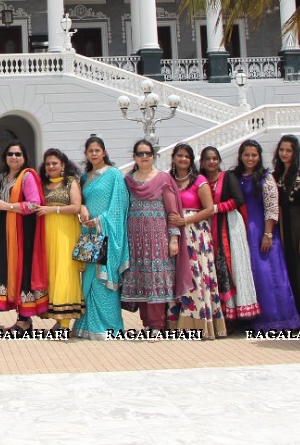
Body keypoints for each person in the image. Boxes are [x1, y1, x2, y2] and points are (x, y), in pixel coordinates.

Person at [120, 139, 192, 332]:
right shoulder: (127, 181)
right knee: (141, 281)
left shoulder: (163, 179)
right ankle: (146, 324)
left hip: (158, 239)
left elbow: (172, 212)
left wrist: (174, 239)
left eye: (148, 153)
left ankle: (157, 325)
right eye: (140, 153)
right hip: (134, 239)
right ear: (134, 157)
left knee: (156, 281)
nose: (144, 157)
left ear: (153, 156)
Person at [230, 140, 300, 332]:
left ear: (259, 156)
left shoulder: (266, 178)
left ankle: (276, 320)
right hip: (241, 230)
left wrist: (268, 234)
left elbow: (271, 208)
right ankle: (249, 319)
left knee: (268, 274)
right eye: (246, 155)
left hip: (262, 230)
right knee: (248, 274)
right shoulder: (235, 176)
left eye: (254, 155)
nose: (250, 158)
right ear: (241, 156)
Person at [164, 143, 226, 339]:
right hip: (172, 234)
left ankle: (199, 325)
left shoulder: (199, 180)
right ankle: (176, 325)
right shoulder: (168, 180)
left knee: (196, 278)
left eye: (187, 156)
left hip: (195, 235)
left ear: (191, 160)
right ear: (173, 158)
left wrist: (185, 220)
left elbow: (209, 209)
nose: (183, 159)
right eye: (179, 156)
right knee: (174, 277)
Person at [72, 136, 130, 340]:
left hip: (106, 232)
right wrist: (83, 210)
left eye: (97, 150)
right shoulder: (85, 177)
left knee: (103, 282)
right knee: (88, 281)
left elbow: (119, 206)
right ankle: (86, 326)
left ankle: (108, 327)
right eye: (90, 151)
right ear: (86, 154)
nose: (94, 154)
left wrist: (100, 221)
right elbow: (79, 201)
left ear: (104, 152)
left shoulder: (114, 174)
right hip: (89, 236)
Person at [0, 140, 49, 330]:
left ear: (24, 157)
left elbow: (34, 204)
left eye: (18, 154)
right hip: (6, 231)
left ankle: (24, 319)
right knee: (10, 270)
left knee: (23, 270)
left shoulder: (27, 176)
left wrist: (6, 206)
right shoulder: (3, 178)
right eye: (10, 154)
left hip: (23, 232)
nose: (14, 157)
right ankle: (22, 318)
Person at [203, 145, 260, 324]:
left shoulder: (227, 177)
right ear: (202, 163)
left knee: (232, 266)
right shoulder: (200, 180)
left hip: (229, 226)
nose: (212, 162)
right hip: (208, 227)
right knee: (213, 268)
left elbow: (238, 200)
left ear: (219, 160)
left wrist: (216, 208)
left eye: (215, 158)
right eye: (208, 159)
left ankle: (234, 316)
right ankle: (219, 315)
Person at [36, 148, 84, 328]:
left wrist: (52, 209)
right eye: (48, 163)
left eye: (54, 163)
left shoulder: (70, 182)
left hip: (66, 231)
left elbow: (76, 206)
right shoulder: (42, 184)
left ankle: (64, 322)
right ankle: (56, 318)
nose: (51, 166)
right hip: (47, 233)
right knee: (51, 272)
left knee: (65, 271)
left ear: (62, 165)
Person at [272, 134, 300, 320]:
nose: (284, 153)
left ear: (295, 152)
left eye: (288, 150)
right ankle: (289, 310)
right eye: (282, 150)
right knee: (284, 264)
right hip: (281, 223)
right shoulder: (274, 175)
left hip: (298, 221)